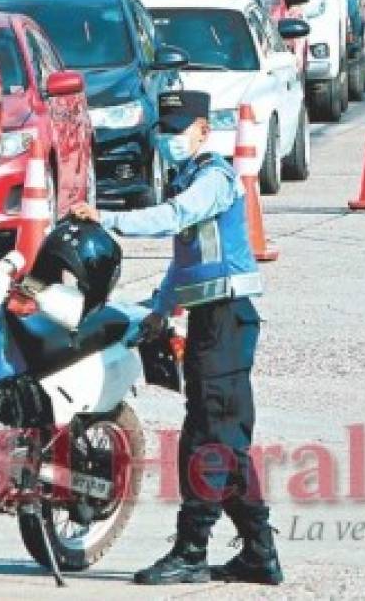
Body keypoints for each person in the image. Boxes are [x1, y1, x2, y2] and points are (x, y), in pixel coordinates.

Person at [72, 90, 281, 587]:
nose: (167, 138)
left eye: (177, 128)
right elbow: (185, 263)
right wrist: (160, 311)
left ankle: (192, 551)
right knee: (218, 440)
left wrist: (108, 218)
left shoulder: (213, 179)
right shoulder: (189, 177)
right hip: (211, 323)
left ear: (203, 131)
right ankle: (258, 552)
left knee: (210, 440)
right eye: (162, 129)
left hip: (227, 321)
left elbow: (173, 218)